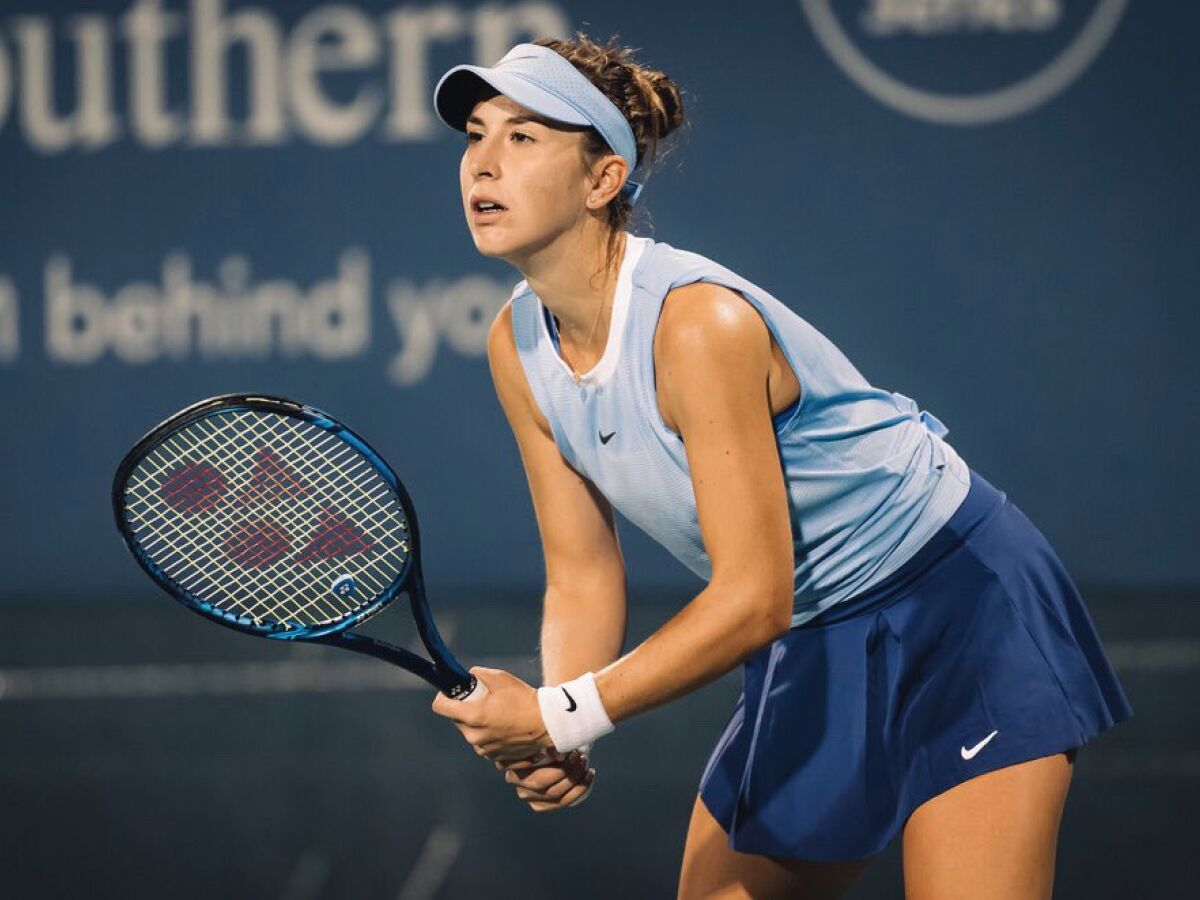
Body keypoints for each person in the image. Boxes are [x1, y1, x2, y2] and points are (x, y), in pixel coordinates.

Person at [428, 34, 1132, 899]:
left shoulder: (697, 326)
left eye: (522, 138)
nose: (483, 164)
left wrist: (554, 711)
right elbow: (579, 572)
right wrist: (564, 730)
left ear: (602, 178)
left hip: (960, 609)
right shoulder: (517, 344)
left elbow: (754, 595)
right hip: (814, 634)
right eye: (474, 135)